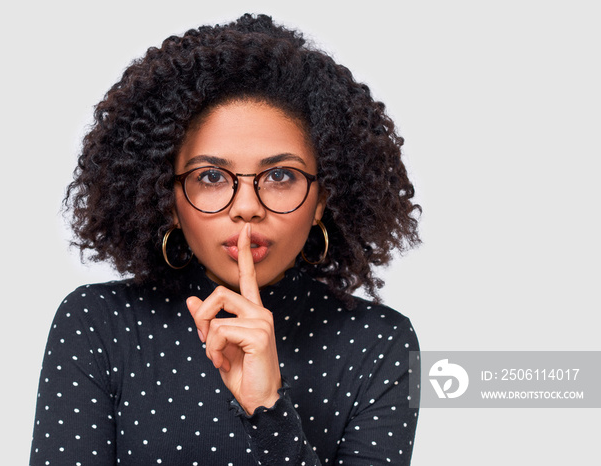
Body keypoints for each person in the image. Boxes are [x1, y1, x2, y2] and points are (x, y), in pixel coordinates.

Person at [30, 13, 422, 466]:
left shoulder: (381, 343)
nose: (247, 207)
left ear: (322, 200)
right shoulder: (97, 324)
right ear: (168, 199)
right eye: (212, 176)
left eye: (280, 175)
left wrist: (269, 410)